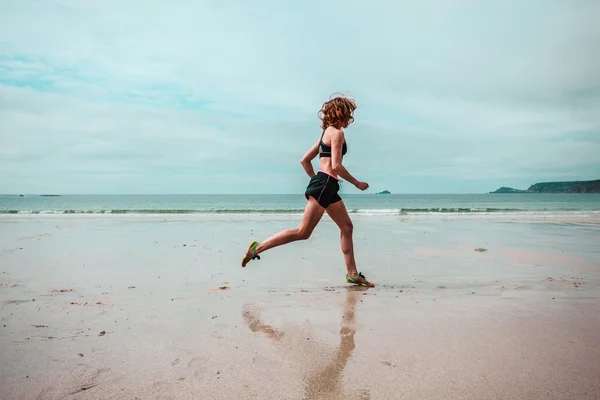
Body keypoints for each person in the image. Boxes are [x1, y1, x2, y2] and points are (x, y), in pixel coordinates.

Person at [241, 94, 374, 287]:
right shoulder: (336, 134)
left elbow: (305, 160)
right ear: (341, 113)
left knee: (347, 227)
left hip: (326, 185)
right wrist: (356, 183)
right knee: (303, 232)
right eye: (348, 114)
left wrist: (316, 179)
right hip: (326, 185)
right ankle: (257, 248)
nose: (350, 119)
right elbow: (336, 166)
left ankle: (352, 274)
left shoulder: (324, 135)